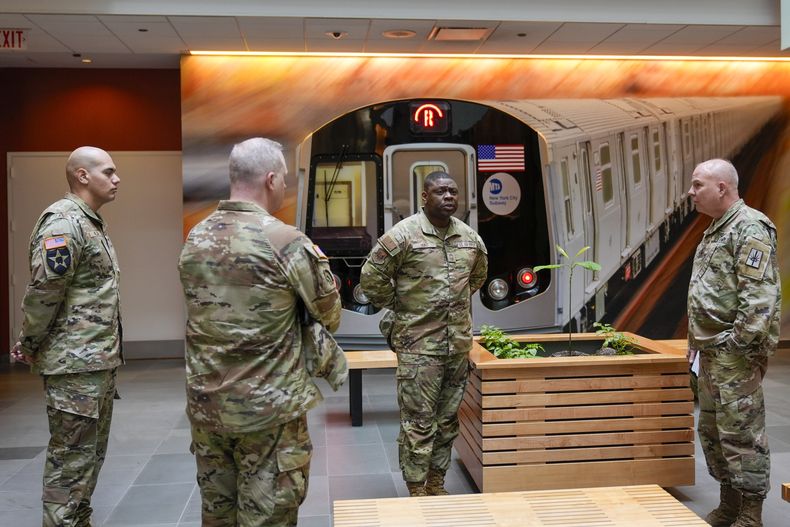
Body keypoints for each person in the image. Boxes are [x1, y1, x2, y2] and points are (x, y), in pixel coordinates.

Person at [178, 137, 342, 526]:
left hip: (208, 408)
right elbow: (330, 314)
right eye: (284, 178)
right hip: (268, 414)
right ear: (271, 179)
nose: (284, 186)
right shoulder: (285, 241)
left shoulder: (196, 237)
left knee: (218, 515)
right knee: (268, 516)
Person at [10, 146, 123, 526]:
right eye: (108, 172)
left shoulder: (90, 222)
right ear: (82, 176)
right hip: (74, 367)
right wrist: (28, 342)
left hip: (94, 364)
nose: (117, 179)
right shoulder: (63, 224)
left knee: (87, 461)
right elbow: (44, 292)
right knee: (69, 464)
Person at [360, 171, 488, 497]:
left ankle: (436, 483)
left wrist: (449, 307)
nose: (449, 197)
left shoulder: (471, 240)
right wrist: (404, 306)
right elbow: (371, 278)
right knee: (418, 423)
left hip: (456, 346)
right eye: (441, 191)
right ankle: (416, 487)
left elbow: (476, 281)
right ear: (424, 197)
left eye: (453, 192)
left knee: (447, 422)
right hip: (418, 347)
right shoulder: (403, 236)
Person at [686, 158, 781, 527]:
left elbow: (759, 300)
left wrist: (735, 346)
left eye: (697, 185)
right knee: (712, 432)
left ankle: (751, 513)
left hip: (732, 357)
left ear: (721, 188)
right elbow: (705, 293)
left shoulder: (750, 228)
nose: (691, 193)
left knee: (742, 434)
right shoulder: (715, 230)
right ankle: (729, 503)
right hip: (709, 354)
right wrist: (695, 342)